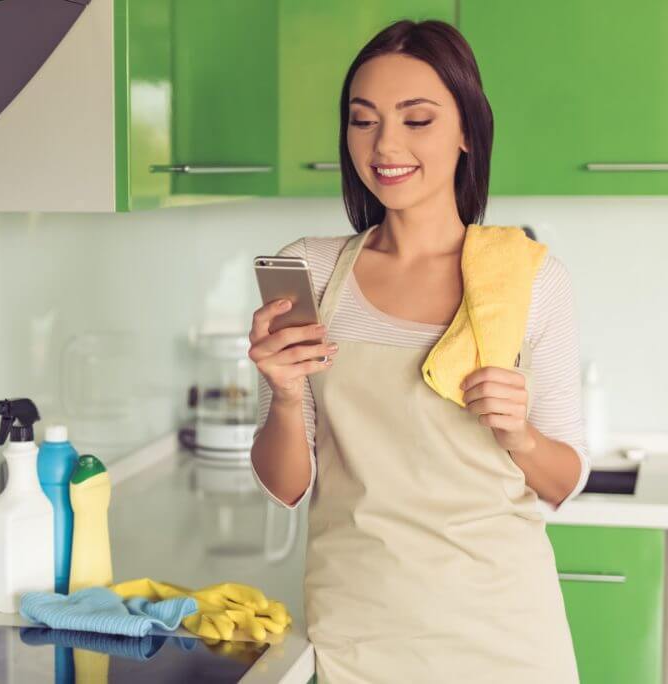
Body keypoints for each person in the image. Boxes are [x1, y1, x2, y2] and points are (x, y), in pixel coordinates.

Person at [248, 19, 586, 683]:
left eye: (417, 119)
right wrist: (286, 398)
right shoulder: (309, 272)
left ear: (466, 132)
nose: (385, 145)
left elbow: (563, 481)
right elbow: (286, 487)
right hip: (359, 636)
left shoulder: (528, 278)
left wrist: (519, 433)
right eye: (363, 120)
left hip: (505, 635)